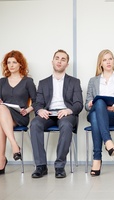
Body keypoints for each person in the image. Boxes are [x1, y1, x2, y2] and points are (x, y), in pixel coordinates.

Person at [30, 49, 83, 179]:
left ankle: (59, 166)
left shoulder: (74, 82)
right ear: (52, 61)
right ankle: (41, 166)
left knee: (65, 124)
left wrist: (68, 110)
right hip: (48, 114)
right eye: (57, 58)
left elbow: (78, 104)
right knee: (35, 123)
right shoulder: (43, 83)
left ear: (67, 64)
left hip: (66, 114)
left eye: (63, 59)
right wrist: (40, 110)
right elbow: (37, 103)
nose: (59, 61)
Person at [85, 49, 114, 176]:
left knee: (95, 117)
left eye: (110, 59)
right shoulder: (93, 81)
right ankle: (108, 141)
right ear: (100, 63)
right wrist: (90, 103)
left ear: (113, 61)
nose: (108, 62)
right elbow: (86, 105)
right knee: (99, 103)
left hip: (113, 114)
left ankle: (97, 160)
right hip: (96, 111)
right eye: (105, 60)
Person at [0, 50, 37, 176]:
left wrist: (27, 110)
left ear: (20, 65)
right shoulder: (2, 81)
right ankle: (13, 147)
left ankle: (3, 157)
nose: (11, 65)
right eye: (8, 63)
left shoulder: (28, 81)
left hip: (19, 116)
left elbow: (37, 101)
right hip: (4, 115)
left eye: (14, 62)